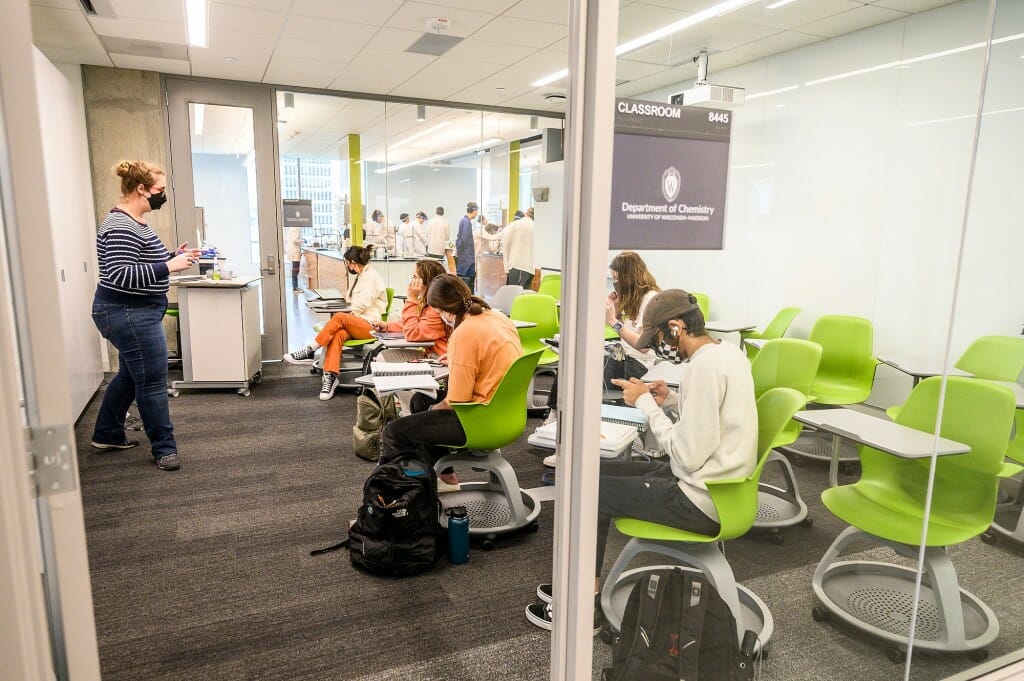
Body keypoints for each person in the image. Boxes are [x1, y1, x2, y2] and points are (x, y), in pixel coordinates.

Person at [525, 289, 758, 631]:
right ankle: (580, 584)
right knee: (595, 471)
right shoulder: (729, 355)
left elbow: (686, 455)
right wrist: (672, 400)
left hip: (701, 499)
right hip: (721, 485)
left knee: (592, 492)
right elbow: (720, 418)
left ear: (677, 328)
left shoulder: (703, 369)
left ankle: (581, 606)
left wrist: (646, 405)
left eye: (659, 337)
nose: (655, 347)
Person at [90, 160, 199, 472]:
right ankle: (164, 449)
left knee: (128, 377)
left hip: (135, 312)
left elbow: (138, 261)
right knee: (151, 383)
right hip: (128, 314)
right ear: (141, 189)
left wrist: (171, 257)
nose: (162, 196)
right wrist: (168, 267)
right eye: (159, 190)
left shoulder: (134, 221)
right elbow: (121, 274)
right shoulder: (121, 225)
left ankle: (107, 433)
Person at [380, 274, 521, 492]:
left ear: (444, 309)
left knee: (394, 432)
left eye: (437, 312)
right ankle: (446, 480)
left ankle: (407, 498)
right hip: (505, 413)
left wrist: (432, 410)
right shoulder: (497, 317)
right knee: (420, 399)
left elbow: (456, 401)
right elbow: (488, 358)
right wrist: (457, 360)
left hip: (477, 419)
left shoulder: (465, 332)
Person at [283, 245, 387, 400]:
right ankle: (330, 377)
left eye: (347, 263)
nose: (347, 267)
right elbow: (351, 300)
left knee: (338, 317)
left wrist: (347, 314)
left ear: (352, 262)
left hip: (370, 325)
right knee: (337, 334)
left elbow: (361, 305)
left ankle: (310, 350)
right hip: (358, 322)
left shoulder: (371, 277)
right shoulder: (360, 276)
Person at [372, 259, 449, 359]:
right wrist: (387, 326)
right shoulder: (427, 302)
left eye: (415, 277)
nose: (412, 281)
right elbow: (414, 324)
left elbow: (412, 333)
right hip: (431, 353)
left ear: (427, 281)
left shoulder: (436, 308)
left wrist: (411, 299)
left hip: (439, 357)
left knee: (385, 357)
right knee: (384, 356)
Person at [604, 251, 661, 386]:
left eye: (617, 279)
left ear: (629, 277)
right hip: (624, 354)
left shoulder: (650, 299)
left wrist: (613, 321)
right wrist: (617, 313)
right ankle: (555, 406)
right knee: (583, 359)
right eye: (613, 279)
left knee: (594, 369)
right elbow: (628, 337)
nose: (615, 283)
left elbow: (643, 346)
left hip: (640, 363)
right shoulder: (634, 298)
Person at [502, 207, 535, 288]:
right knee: (525, 294)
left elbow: (506, 244)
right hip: (530, 267)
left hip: (514, 264)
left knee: (512, 292)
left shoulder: (515, 224)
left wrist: (508, 261)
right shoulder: (536, 226)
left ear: (525, 214)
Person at [456, 201, 478, 291]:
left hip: (465, 257)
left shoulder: (464, 221)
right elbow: (464, 239)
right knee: (467, 285)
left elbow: (460, 238)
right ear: (475, 211)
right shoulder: (466, 222)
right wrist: (459, 251)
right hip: (466, 259)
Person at [286, 225, 303, 292]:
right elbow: (294, 240)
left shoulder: (291, 227)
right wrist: (303, 240)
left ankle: (295, 287)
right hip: (294, 251)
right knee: (296, 270)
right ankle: (295, 287)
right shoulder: (297, 228)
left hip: (292, 250)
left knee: (294, 269)